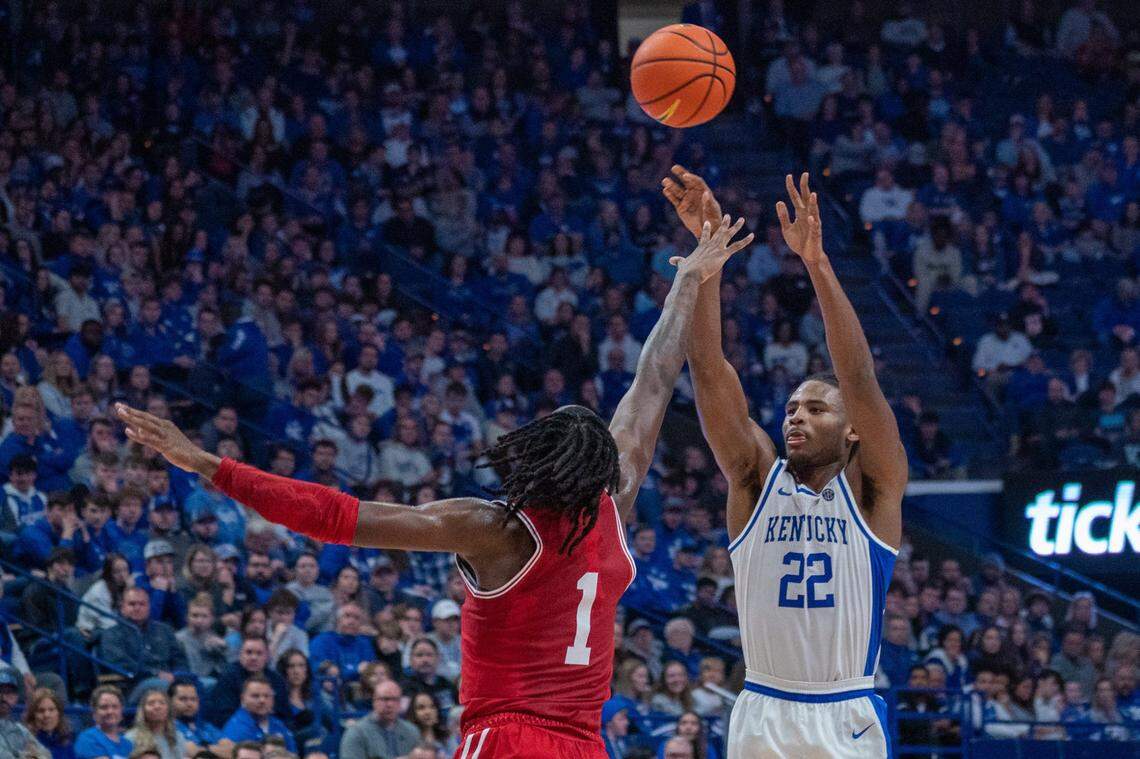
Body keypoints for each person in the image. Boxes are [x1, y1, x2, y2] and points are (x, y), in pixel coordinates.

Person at [115, 214, 754, 758]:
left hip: (506, 736)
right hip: (586, 745)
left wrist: (209, 464)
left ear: (538, 459)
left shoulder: (496, 528)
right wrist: (689, 281)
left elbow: (333, 515)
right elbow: (653, 380)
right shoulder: (614, 503)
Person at [662, 169, 906, 758]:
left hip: (846, 708)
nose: (795, 417)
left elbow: (859, 378)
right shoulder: (753, 479)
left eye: (816, 409)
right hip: (764, 708)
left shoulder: (874, 494)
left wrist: (817, 265)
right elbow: (709, 368)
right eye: (792, 407)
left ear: (850, 428)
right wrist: (708, 257)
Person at [338, 680, 419, 759]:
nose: (390, 704)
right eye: (385, 699)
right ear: (374, 701)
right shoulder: (356, 732)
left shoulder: (411, 731)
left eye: (395, 699)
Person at [222, 676, 297, 752]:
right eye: (255, 696)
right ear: (242, 699)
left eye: (266, 696)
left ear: (273, 699)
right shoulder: (236, 729)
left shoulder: (279, 725)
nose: (262, 700)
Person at [169, 679, 232, 758]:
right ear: (169, 701)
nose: (189, 704)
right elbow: (193, 752)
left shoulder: (205, 726)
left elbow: (232, 751)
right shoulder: (168, 727)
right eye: (183, 699)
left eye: (193, 699)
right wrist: (217, 749)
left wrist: (205, 748)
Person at [0, 668, 50, 759]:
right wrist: (26, 754)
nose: (3, 697)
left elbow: (46, 755)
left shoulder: (21, 730)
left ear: (16, 697)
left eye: (9, 692)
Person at [124, 689, 187, 759]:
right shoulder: (131, 737)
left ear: (168, 709)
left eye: (162, 703)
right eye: (151, 703)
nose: (157, 707)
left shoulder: (178, 737)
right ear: (143, 710)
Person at [75, 686, 132, 759]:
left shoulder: (128, 744)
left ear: (121, 710)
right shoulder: (88, 739)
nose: (110, 711)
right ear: (94, 712)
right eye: (104, 707)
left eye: (115, 707)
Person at [25, 688, 75, 759]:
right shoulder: (26, 743)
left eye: (51, 710)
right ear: (33, 715)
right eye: (41, 711)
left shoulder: (66, 743)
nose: (47, 715)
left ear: (58, 713)